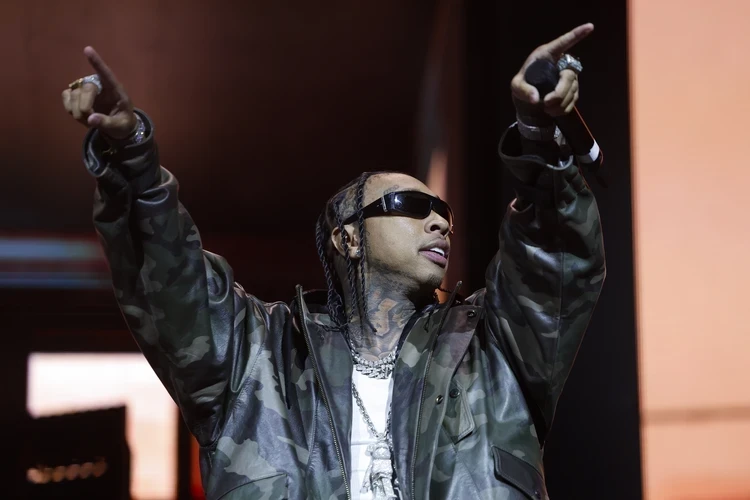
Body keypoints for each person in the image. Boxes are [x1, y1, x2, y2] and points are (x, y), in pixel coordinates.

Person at [61, 23, 605, 500]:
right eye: (411, 206)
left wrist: (540, 139)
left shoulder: (493, 350)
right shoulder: (257, 358)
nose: (440, 222)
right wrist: (134, 158)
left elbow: (553, 261)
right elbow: (171, 281)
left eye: (444, 213)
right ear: (347, 239)